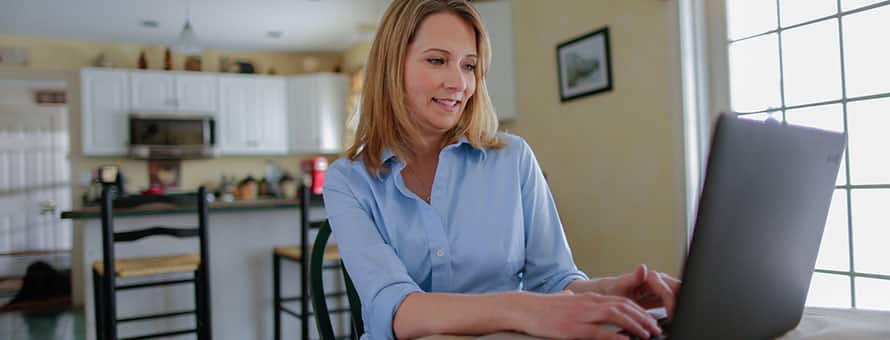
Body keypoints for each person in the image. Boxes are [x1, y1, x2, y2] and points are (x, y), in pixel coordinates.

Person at [322, 1, 681, 339]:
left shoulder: (514, 158)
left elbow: (552, 279)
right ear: (391, 66)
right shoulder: (348, 180)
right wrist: (521, 308)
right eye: (436, 60)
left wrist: (606, 291)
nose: (459, 83)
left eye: (469, 65)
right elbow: (396, 309)